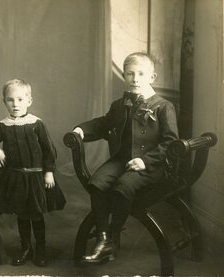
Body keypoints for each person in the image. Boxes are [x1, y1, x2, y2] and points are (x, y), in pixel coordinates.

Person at [73, 52, 179, 264]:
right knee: (97, 182)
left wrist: (145, 161)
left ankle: (112, 236)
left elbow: (170, 142)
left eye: (141, 73)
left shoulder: (163, 106)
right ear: (124, 76)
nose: (135, 78)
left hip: (151, 165)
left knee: (124, 186)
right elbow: (104, 123)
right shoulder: (120, 105)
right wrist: (80, 130)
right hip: (122, 160)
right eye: (130, 74)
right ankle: (103, 238)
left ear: (152, 77)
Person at [0, 79, 66, 267]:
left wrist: (49, 172)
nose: (15, 104)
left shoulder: (36, 124)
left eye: (20, 99)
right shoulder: (2, 126)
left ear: (29, 101)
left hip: (36, 176)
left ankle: (41, 249)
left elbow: (49, 151)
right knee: (22, 214)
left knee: (36, 214)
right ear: (4, 102)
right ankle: (26, 248)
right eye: (10, 100)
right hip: (16, 177)